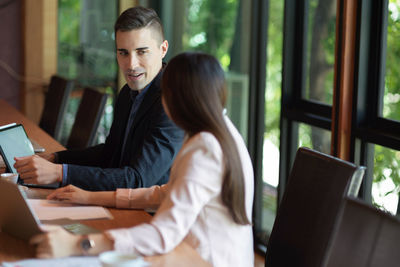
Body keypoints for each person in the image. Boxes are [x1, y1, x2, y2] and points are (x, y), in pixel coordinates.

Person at [30, 52, 255, 267]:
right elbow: (166, 193)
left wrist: (77, 244)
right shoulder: (222, 135)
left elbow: (163, 234)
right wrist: (91, 196)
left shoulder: (204, 150)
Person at [13, 7, 184, 191]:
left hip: (150, 212)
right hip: (120, 200)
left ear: (163, 49)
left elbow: (137, 179)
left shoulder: (172, 103)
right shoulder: (128, 93)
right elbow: (110, 153)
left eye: (142, 52)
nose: (131, 65)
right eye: (123, 53)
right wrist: (57, 159)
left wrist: (60, 172)